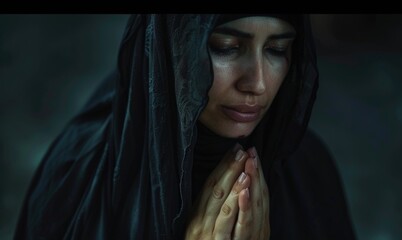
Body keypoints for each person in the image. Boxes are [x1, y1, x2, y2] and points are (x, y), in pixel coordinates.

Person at [14, 14, 356, 239]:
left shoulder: (306, 169)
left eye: (277, 49)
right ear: (172, 44)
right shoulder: (78, 180)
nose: (259, 84)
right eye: (227, 47)